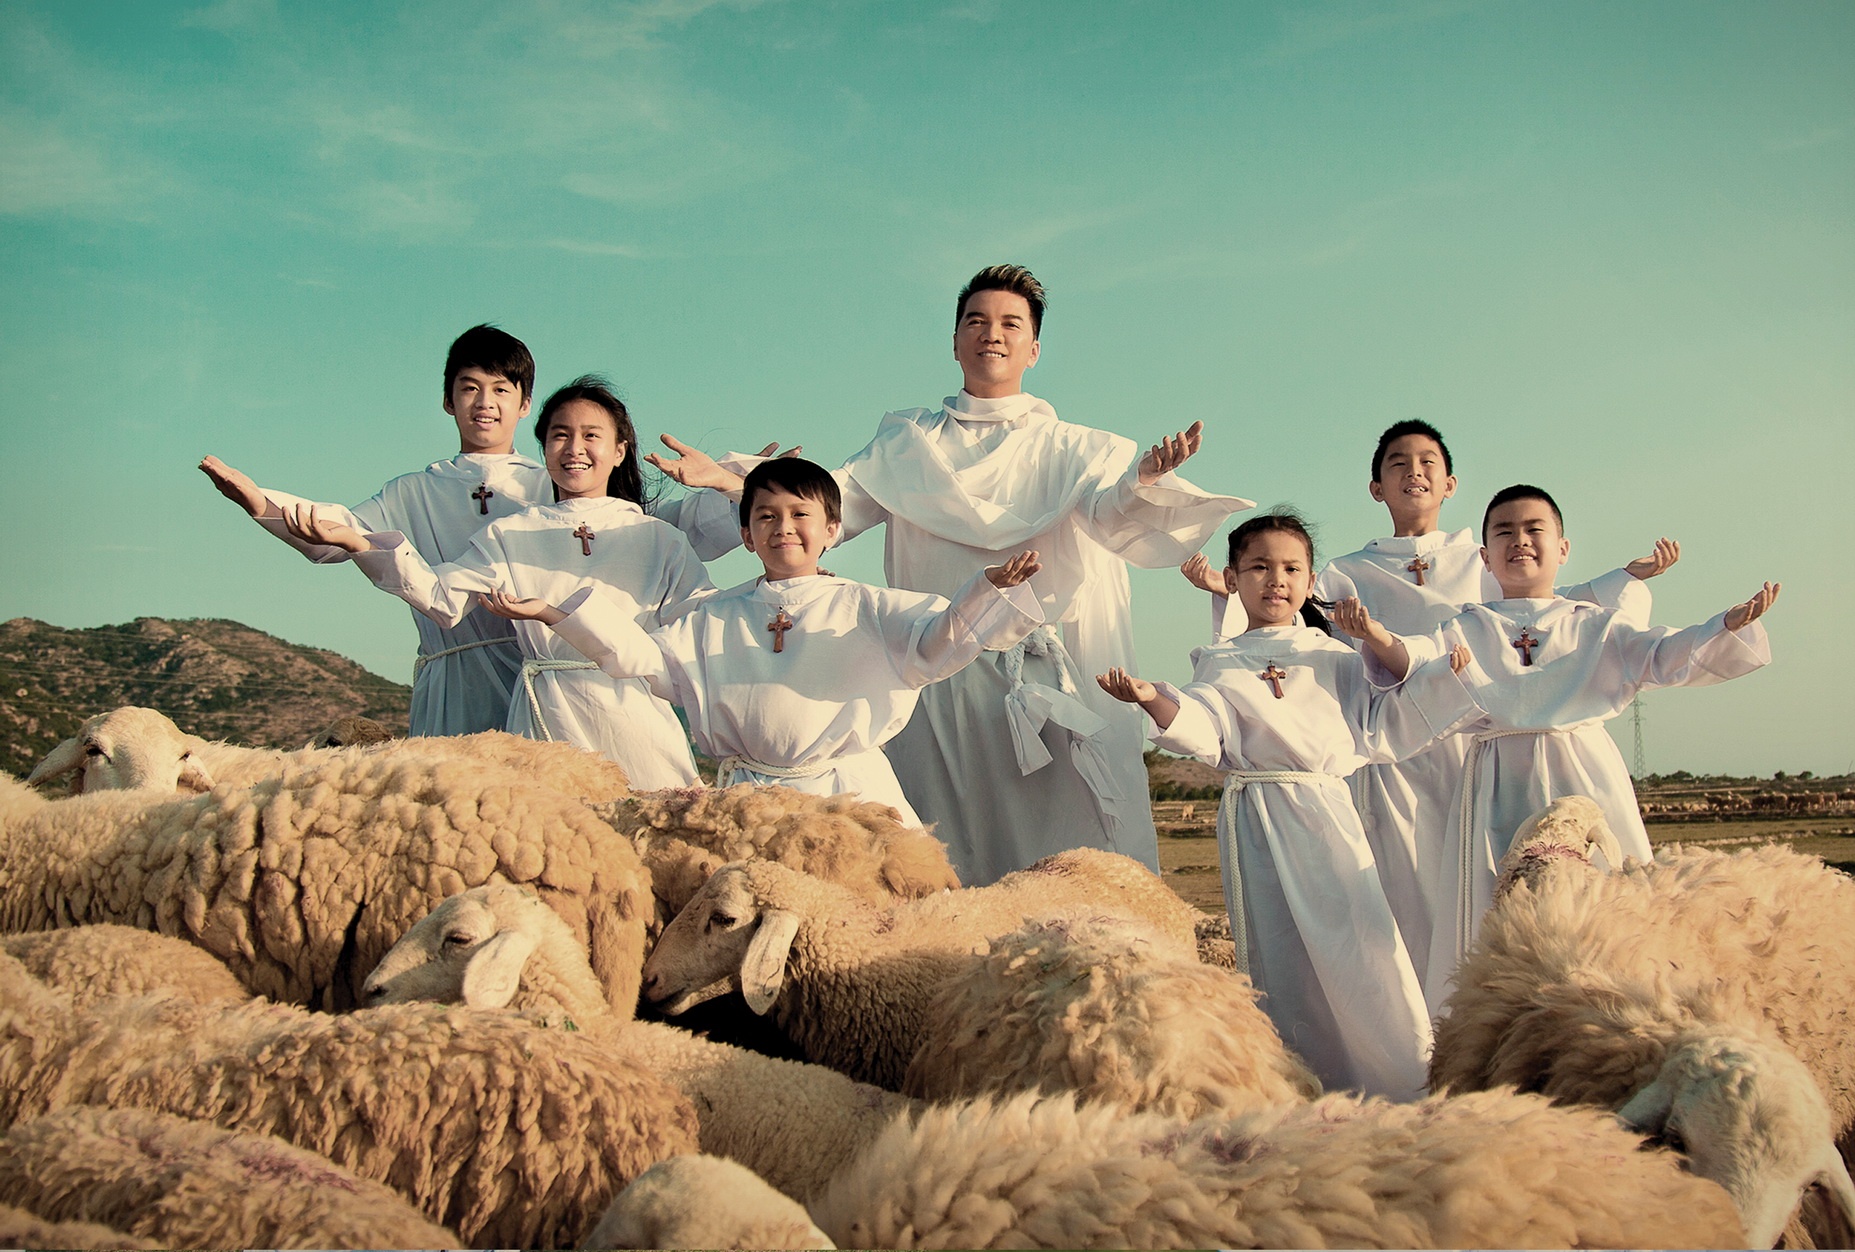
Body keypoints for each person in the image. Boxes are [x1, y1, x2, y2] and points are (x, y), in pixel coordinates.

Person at [651, 265, 1251, 884]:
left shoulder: (1081, 449)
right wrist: (738, 483)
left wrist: (1142, 483)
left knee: (1071, 856)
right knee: (945, 855)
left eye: (1011, 324)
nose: (992, 333)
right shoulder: (908, 446)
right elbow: (830, 506)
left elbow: (1110, 516)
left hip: (1051, 678)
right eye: (976, 321)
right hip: (938, 674)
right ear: (956, 340)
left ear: (1034, 348)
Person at [1180, 418, 1676, 1001]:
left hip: (1475, 749)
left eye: (1427, 463)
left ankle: (1513, 1012)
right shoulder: (1345, 573)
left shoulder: (1483, 557)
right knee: (1403, 900)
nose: (1413, 473)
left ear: (1450, 483)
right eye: (1397, 464)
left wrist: (1622, 580)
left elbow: (1544, 613)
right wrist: (1229, 593)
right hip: (1393, 760)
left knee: (1491, 889)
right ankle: (1426, 1024)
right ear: (1376, 487)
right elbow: (1291, 637)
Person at [199, 325, 744, 738]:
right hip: (455, 672)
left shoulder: (561, 484)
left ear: (524, 404)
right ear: (448, 400)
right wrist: (262, 503)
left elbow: (652, 535)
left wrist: (739, 488)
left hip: (554, 676)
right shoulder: (413, 492)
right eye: (470, 388)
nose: (485, 403)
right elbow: (337, 534)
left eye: (502, 389)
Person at [1097, 511, 1478, 1099]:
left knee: (1358, 940)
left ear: (1310, 581)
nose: (1276, 579)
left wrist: (1442, 682)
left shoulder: (1337, 658)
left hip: (1326, 814)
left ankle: (1399, 1076)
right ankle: (1297, 1080)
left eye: (1291, 569)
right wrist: (1152, 699)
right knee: (1279, 952)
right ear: (1232, 579)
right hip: (1258, 818)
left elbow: (1382, 722)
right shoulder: (1220, 660)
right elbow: (1206, 727)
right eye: (1259, 567)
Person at [484, 458, 1045, 827]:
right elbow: (645, 660)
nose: (784, 528)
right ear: (747, 535)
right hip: (748, 804)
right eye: (767, 517)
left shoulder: (870, 606)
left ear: (832, 529)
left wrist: (985, 590)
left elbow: (936, 645)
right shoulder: (714, 614)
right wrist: (556, 613)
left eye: (801, 514)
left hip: (849, 797)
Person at [1422, 484, 1778, 1004]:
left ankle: (1623, 1017)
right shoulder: (1461, 628)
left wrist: (1721, 627)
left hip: (1583, 773)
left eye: (1534, 529)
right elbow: (1413, 667)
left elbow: (1661, 654)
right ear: (1485, 555)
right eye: (1504, 531)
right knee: (1496, 912)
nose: (1520, 541)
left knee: (1609, 909)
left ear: (1563, 548)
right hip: (1497, 781)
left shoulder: (1596, 623)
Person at [281, 376, 714, 788]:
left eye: (591, 436)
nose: (574, 449)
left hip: (637, 718)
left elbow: (702, 626)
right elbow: (440, 598)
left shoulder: (659, 538)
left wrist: (730, 484)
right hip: (546, 719)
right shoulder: (511, 533)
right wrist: (360, 544)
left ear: (620, 450)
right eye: (560, 435)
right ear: (543, 448)